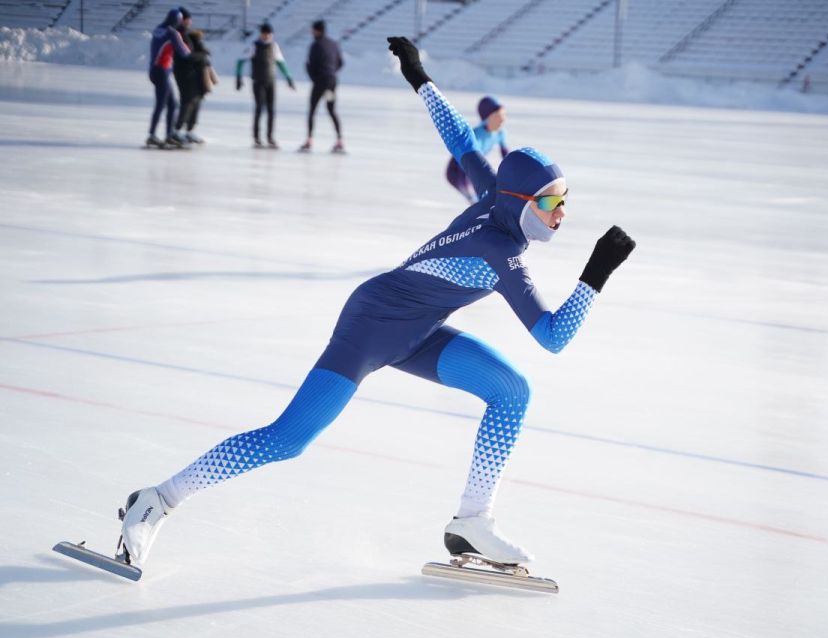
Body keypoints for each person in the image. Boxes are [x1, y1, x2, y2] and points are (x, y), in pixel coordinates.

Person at [117, 36, 635, 570]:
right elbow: (553, 337)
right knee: (287, 439)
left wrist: (419, 77)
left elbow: (460, 139)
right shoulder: (502, 250)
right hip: (373, 323)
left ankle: (472, 522)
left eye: (565, 200)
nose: (561, 213)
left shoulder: (492, 197)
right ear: (522, 202)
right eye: (552, 203)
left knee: (510, 392)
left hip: (419, 330)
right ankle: (157, 499)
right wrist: (597, 272)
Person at [236, 23, 296, 149]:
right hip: (258, 81)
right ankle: (257, 138)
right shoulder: (254, 46)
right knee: (259, 109)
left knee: (271, 111)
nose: (267, 36)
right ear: (261, 34)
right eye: (265, 33)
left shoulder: (274, 46)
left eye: (269, 34)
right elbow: (241, 61)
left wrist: (288, 77)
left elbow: (280, 63)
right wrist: (238, 77)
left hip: (271, 81)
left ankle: (270, 137)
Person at [446, 96, 509, 202]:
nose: (503, 119)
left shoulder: (500, 133)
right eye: (498, 116)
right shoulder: (476, 135)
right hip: (457, 171)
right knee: (478, 202)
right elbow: (466, 162)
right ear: (487, 118)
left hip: (472, 169)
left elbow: (506, 156)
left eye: (504, 115)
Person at [146, 8, 192, 149]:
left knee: (172, 104)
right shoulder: (173, 33)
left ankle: (168, 134)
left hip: (154, 70)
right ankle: (153, 135)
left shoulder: (158, 29)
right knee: (162, 104)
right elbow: (185, 52)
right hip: (163, 71)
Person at [299, 20, 345, 153]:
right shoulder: (334, 44)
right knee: (331, 110)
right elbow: (341, 62)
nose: (311, 33)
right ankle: (339, 141)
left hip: (320, 82)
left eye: (313, 30)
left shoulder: (315, 45)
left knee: (312, 110)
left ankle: (309, 140)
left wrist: (315, 78)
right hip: (331, 82)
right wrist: (331, 72)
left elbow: (311, 65)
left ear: (317, 31)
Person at [173, 8, 216, 144]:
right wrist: (202, 54)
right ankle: (177, 130)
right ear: (182, 19)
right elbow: (187, 57)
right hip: (184, 73)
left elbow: (195, 51)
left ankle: (190, 131)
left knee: (197, 100)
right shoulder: (178, 34)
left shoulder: (187, 34)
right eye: (188, 19)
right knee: (187, 101)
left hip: (194, 73)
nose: (190, 21)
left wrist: (200, 47)